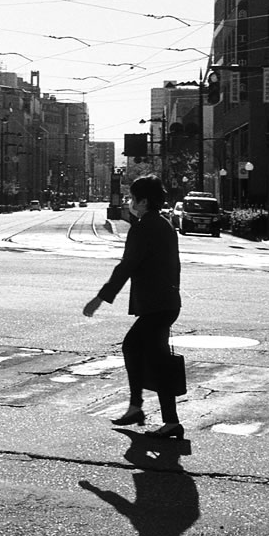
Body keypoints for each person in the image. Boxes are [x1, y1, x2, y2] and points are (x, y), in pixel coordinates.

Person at [83, 174, 184, 440]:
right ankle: (162, 418)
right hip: (167, 302)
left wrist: (100, 298)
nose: (129, 202)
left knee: (134, 348)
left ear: (143, 200)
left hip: (156, 305)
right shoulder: (164, 225)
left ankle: (138, 408)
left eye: (132, 197)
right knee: (156, 358)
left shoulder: (143, 227)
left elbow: (127, 266)